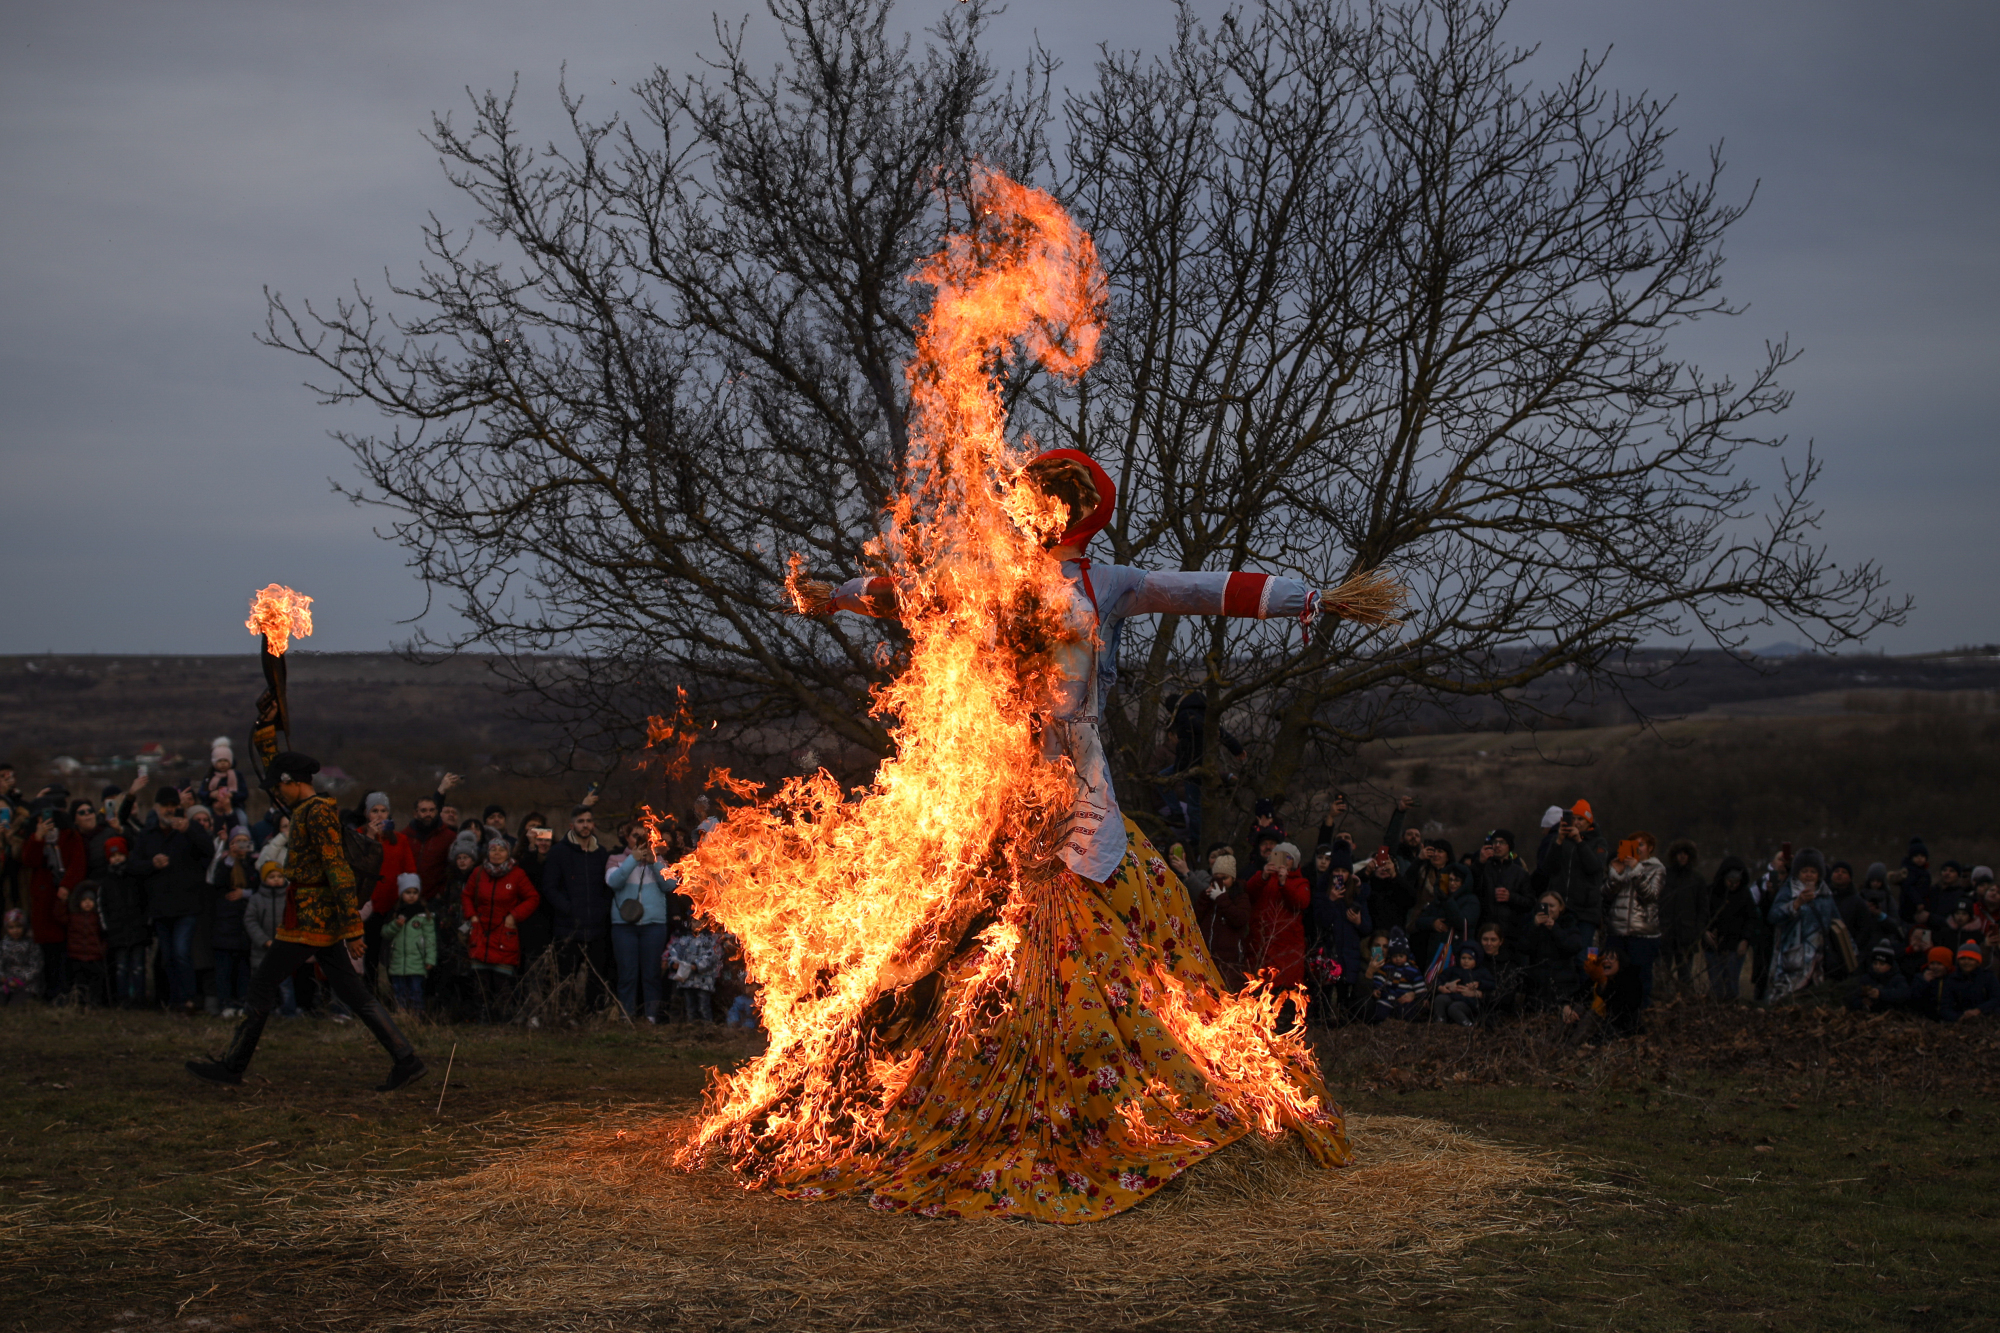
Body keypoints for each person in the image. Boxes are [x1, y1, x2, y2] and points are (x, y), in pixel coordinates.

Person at [186, 748, 425, 1091]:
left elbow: (339, 872)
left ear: (292, 782)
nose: (277, 792)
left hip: (308, 921)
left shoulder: (316, 814)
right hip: (312, 917)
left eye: (279, 786)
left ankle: (233, 1066)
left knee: (262, 985)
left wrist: (354, 929)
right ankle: (407, 1059)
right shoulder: (312, 810)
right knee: (354, 993)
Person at [136, 788, 213, 1013]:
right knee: (168, 956)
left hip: (187, 904)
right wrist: (152, 864)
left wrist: (190, 830)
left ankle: (189, 998)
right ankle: (175, 999)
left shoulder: (189, 829)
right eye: (164, 805)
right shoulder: (147, 834)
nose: (169, 809)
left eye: (173, 805)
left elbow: (209, 850)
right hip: (160, 906)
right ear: (156, 808)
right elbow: (134, 865)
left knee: (181, 952)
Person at [541, 806, 612, 1008]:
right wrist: (569, 908)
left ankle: (594, 1015)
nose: (585, 825)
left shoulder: (601, 853)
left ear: (593, 824)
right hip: (568, 927)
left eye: (589, 821)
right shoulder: (559, 852)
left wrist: (602, 909)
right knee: (565, 976)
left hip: (597, 927)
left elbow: (607, 887)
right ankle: (563, 1014)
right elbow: (549, 887)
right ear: (572, 825)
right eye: (581, 821)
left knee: (596, 977)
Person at [464, 833, 539, 1023]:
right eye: (493, 850)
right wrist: (471, 916)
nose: (497, 853)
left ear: (508, 852)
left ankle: (502, 1020)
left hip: (504, 934)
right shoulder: (478, 872)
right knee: (480, 982)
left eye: (501, 849)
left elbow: (532, 898)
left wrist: (514, 916)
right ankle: (481, 1019)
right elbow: (466, 895)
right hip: (480, 933)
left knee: (502, 982)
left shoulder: (517, 874)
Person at [607, 834, 674, 1022]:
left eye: (644, 838)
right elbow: (613, 882)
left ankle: (651, 1016)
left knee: (652, 973)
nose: (640, 842)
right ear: (626, 838)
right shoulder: (616, 860)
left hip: (653, 925)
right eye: (635, 836)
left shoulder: (659, 861)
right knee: (627, 973)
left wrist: (654, 863)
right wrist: (632, 860)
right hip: (624, 926)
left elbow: (670, 885)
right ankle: (625, 1015)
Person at [1766, 847, 1836, 1003]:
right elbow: (1773, 916)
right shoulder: (1788, 891)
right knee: (1785, 999)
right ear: (1797, 872)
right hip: (1791, 958)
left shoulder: (1826, 895)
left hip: (1818, 959)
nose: (1809, 875)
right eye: (1805, 871)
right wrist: (1796, 904)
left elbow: (1836, 920)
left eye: (1813, 871)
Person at [1604, 832, 1664, 1008]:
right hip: (1617, 930)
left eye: (1642, 845)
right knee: (1614, 975)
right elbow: (1605, 894)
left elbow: (1651, 896)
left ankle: (1641, 1016)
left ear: (1650, 848)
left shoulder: (1657, 868)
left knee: (1640, 977)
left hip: (1643, 933)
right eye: (1633, 845)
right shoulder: (1622, 866)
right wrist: (1615, 875)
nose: (1637, 848)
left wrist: (1637, 871)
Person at [1532, 801, 1608, 937]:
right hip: (1562, 910)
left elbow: (1594, 867)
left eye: (1581, 819)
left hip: (1586, 910)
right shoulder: (1560, 840)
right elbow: (1548, 868)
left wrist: (1579, 841)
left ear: (1589, 821)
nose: (1576, 823)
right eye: (1573, 818)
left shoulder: (1599, 842)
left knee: (1581, 955)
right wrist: (1559, 841)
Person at [1242, 841, 1311, 989]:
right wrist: (1264, 876)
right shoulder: (1262, 877)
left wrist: (1284, 883)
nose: (1282, 861)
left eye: (1287, 858)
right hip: (1260, 945)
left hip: (1286, 950)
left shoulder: (1300, 883)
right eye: (1278, 856)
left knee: (1282, 993)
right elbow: (1248, 893)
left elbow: (1300, 903)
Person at [206, 829, 257, 1018]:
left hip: (244, 928)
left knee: (244, 970)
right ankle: (225, 1003)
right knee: (224, 970)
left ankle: (242, 1002)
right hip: (224, 926)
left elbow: (261, 886)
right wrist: (230, 858)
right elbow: (216, 882)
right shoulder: (223, 865)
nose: (242, 845)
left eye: (246, 841)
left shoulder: (253, 864)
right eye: (238, 841)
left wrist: (244, 894)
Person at [99, 837, 151, 1008]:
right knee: (121, 968)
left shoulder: (136, 877)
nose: (117, 859)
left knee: (138, 967)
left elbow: (145, 901)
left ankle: (140, 998)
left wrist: (145, 923)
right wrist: (107, 928)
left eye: (121, 854)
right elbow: (102, 906)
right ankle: (123, 999)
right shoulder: (106, 882)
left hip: (138, 929)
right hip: (117, 931)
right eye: (113, 856)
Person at [244, 861, 299, 1018]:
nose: (276, 879)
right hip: (261, 951)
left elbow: (294, 920)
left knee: (285, 984)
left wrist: (286, 940)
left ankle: (288, 1012)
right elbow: (250, 921)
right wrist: (264, 941)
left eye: (279, 876)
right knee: (260, 984)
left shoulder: (290, 898)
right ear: (264, 879)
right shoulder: (256, 899)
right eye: (272, 876)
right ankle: (258, 1012)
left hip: (283, 949)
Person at [1189, 851, 1249, 990]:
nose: (1221, 881)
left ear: (1233, 878)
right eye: (1216, 877)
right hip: (1207, 958)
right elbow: (1195, 918)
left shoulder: (1240, 897)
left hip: (1230, 961)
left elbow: (1239, 919)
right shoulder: (1208, 897)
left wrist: (1221, 898)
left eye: (1225, 878)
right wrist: (1205, 897)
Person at [1521, 890, 1587, 1013]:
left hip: (1562, 983)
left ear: (1560, 907)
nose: (1548, 909)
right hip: (1537, 984)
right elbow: (1523, 947)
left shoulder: (1569, 923)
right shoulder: (1532, 923)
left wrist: (1554, 928)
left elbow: (1574, 947)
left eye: (1552, 906)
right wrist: (1534, 926)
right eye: (1544, 905)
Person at [1703, 857, 1758, 1002]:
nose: (1733, 885)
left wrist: (1745, 940)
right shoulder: (1711, 892)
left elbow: (1751, 919)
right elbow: (1700, 915)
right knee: (1716, 986)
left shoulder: (1745, 894)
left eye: (1737, 882)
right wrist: (1704, 932)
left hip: (1735, 946)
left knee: (1732, 986)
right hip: (1713, 946)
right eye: (1730, 881)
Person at [1657, 839, 1705, 1000]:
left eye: (1685, 854)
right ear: (1674, 855)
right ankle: (1661, 1003)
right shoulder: (1664, 875)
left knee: (1685, 975)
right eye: (1679, 853)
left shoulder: (1697, 879)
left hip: (1687, 935)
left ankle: (1687, 1006)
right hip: (1665, 933)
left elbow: (1702, 908)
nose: (1682, 857)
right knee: (1662, 975)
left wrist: (1697, 931)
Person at [379, 881, 437, 1015]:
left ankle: (417, 1015)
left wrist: (430, 959)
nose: (411, 896)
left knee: (416, 990)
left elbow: (430, 939)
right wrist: (395, 925)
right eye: (408, 892)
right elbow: (385, 933)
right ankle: (402, 1014)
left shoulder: (424, 915)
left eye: (414, 893)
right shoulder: (395, 913)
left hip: (417, 962)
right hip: (397, 961)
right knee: (399, 990)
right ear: (401, 894)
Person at [1565, 947, 1643, 1039]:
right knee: (1576, 1009)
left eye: (1612, 958)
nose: (1606, 961)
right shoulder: (1596, 979)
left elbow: (1618, 1011)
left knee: (1592, 1015)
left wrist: (1603, 982)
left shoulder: (1630, 982)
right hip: (1595, 1028)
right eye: (1604, 958)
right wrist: (1566, 1007)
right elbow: (1577, 996)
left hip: (1618, 1030)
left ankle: (1570, 1048)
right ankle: (1555, 1042)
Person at [1472, 828, 1531, 940]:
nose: (1497, 846)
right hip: (1484, 930)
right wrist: (1480, 863)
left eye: (1502, 842)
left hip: (1510, 932)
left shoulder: (1520, 873)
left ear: (1509, 846)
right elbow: (1471, 887)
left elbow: (1529, 902)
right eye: (1495, 842)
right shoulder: (1483, 868)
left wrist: (1511, 897)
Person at [666, 923, 724, 1022]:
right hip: (687, 981)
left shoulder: (711, 939)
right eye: (693, 921)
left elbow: (713, 956)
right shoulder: (684, 938)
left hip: (704, 981)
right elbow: (674, 951)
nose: (696, 924)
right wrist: (673, 963)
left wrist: (697, 966)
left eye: (699, 921)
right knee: (690, 1008)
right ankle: (692, 1030)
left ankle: (707, 1030)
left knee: (703, 1007)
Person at [65, 882, 108, 1006]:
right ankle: (81, 1002)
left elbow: (104, 935)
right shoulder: (74, 917)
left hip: (95, 957)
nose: (87, 902)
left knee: (96, 982)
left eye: (90, 900)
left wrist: (102, 949)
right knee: (80, 982)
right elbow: (60, 916)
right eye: (84, 900)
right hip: (77, 956)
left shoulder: (99, 917)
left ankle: (95, 1002)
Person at [1432, 942, 1495, 1026]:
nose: (1466, 961)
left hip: (1469, 1003)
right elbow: (1438, 979)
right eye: (1463, 958)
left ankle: (1468, 1024)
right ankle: (1440, 1021)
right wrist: (1442, 987)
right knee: (1440, 999)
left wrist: (1479, 984)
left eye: (1470, 959)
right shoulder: (1453, 970)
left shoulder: (1482, 972)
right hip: (1452, 996)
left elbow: (1492, 984)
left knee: (1454, 1008)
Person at [1369, 933, 1424, 1022]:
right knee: (1380, 1011)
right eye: (1395, 956)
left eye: (1401, 956)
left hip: (1404, 999)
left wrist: (1421, 997)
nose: (1398, 959)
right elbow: (1380, 978)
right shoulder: (1387, 967)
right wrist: (1377, 989)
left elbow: (1419, 984)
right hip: (1388, 997)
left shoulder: (1412, 970)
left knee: (1408, 1013)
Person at [1844, 941, 1910, 1014]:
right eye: (1875, 963)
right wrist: (1862, 1003)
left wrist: (1881, 994)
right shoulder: (1866, 978)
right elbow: (1853, 998)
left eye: (1882, 964)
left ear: (1890, 965)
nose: (1877, 967)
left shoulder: (1898, 979)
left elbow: (1903, 995)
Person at [1940, 943, 1999, 1022]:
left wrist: (1979, 1010)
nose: (1966, 962)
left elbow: (1996, 998)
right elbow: (1945, 1006)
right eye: (1963, 958)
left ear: (1977, 961)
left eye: (1971, 959)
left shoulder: (1988, 977)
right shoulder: (1951, 979)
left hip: (1986, 1020)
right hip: (1960, 1022)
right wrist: (1959, 1018)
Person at [1, 908, 39, 1003]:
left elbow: (35, 966)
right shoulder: (3, 944)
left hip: (26, 984)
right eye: (11, 927)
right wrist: (5, 979)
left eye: (18, 926)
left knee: (17, 1005)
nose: (15, 930)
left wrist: (20, 980)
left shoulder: (31, 944)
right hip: (6, 981)